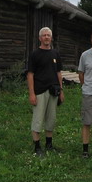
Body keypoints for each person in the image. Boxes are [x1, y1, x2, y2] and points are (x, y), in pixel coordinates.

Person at [27, 27, 64, 156]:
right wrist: (32, 93)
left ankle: (49, 145)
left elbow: (59, 73)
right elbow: (30, 74)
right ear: (40, 38)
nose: (46, 37)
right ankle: (37, 147)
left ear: (51, 38)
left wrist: (61, 90)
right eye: (44, 35)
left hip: (53, 91)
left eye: (48, 35)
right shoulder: (34, 54)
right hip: (40, 91)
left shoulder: (55, 54)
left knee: (51, 119)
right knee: (38, 119)